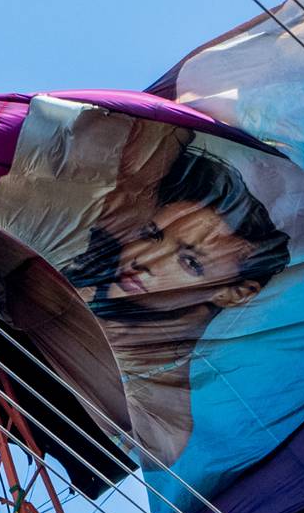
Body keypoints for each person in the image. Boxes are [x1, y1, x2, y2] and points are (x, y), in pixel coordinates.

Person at [55, 132, 290, 465]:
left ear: (234, 292)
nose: (144, 259)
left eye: (189, 261)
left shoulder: (165, 423)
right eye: (152, 235)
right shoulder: (63, 282)